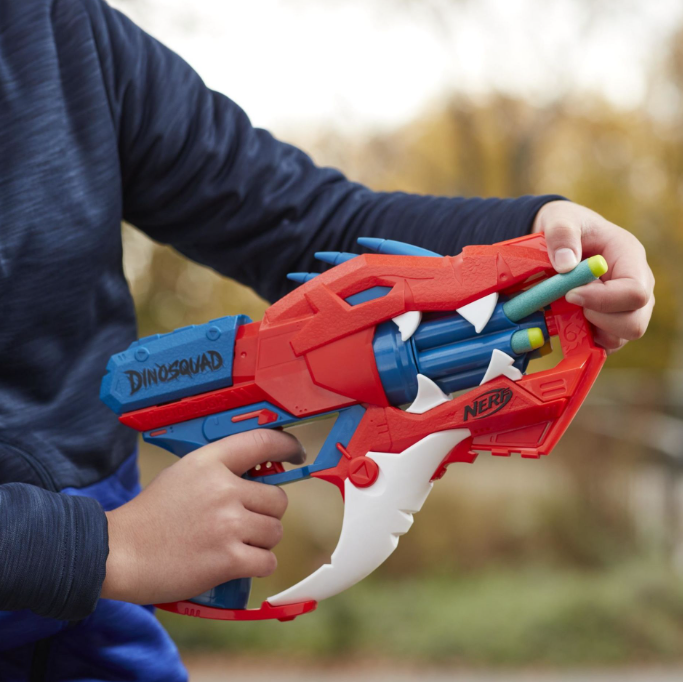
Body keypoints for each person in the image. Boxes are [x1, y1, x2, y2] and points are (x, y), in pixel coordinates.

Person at [0, 0, 654, 680]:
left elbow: (306, 221)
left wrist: (538, 234)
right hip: (93, 561)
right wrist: (106, 546)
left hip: (89, 620)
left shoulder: (57, 28)